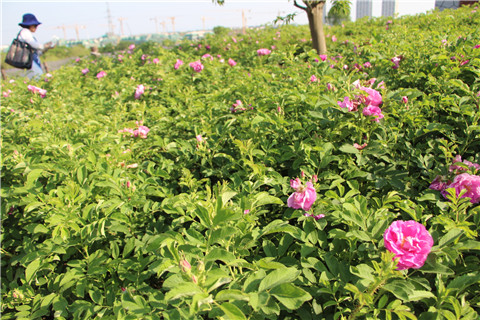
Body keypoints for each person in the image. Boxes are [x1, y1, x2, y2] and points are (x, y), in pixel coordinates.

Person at [17, 13, 53, 79]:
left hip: (33, 60)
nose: (36, 27)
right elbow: (33, 44)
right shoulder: (25, 32)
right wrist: (44, 46)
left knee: (38, 77)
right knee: (38, 78)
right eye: (35, 26)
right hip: (30, 61)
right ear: (29, 25)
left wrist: (46, 48)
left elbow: (37, 52)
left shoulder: (28, 33)